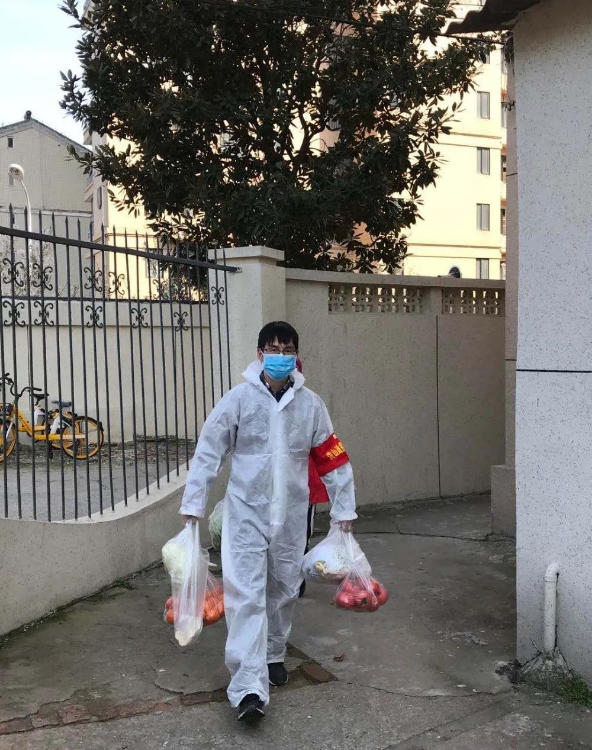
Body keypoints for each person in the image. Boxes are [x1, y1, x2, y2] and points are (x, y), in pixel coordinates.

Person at [180, 321, 357, 722]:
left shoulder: (311, 405)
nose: (280, 356)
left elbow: (333, 458)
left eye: (287, 349)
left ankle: (274, 652)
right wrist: (193, 505)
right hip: (246, 514)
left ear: (296, 356)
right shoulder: (238, 400)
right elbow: (208, 451)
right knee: (245, 597)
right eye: (273, 349)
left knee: (283, 590)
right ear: (260, 354)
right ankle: (248, 688)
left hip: (291, 516)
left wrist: (344, 510)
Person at [296, 357, 330, 599]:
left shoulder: (309, 404)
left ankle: (297, 581)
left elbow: (327, 449)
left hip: (304, 487)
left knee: (301, 537)